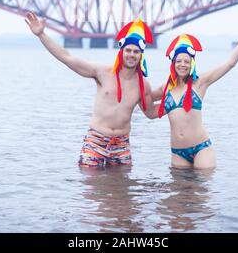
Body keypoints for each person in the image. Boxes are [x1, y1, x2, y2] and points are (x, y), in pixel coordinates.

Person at [25, 13, 154, 168]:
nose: (131, 55)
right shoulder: (102, 72)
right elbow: (67, 58)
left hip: (122, 144)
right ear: (121, 51)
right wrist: (41, 35)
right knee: (91, 186)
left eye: (136, 51)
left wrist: (178, 97)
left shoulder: (142, 85)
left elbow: (151, 112)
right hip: (96, 140)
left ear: (141, 55)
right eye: (128, 50)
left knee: (122, 188)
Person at [146, 15, 238, 169]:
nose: (182, 65)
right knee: (179, 192)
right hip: (178, 153)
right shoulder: (167, 88)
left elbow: (230, 64)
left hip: (201, 149)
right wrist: (134, 86)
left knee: (201, 190)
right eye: (179, 61)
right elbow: (150, 108)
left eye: (187, 61)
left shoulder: (200, 83)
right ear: (173, 63)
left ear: (192, 64)